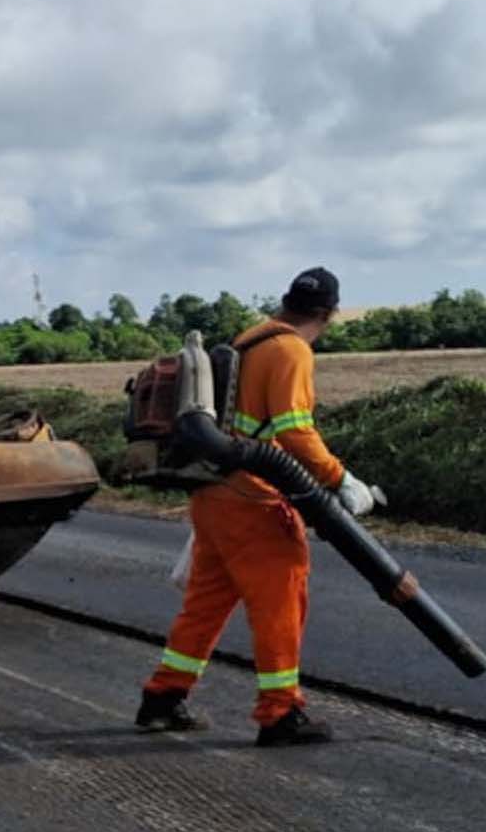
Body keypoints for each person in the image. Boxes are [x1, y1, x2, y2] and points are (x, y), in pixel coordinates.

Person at [133, 266, 381, 747]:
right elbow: (294, 431)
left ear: (285, 302)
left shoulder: (249, 339)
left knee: (206, 602)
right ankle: (280, 712)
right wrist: (341, 479)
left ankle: (162, 699)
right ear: (328, 315)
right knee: (281, 600)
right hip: (252, 498)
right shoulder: (290, 350)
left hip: (212, 493)